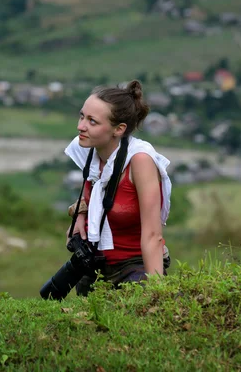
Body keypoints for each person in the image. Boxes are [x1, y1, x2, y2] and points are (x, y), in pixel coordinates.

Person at [64, 80, 172, 296]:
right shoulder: (88, 147)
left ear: (119, 129)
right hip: (97, 263)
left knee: (132, 316)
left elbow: (153, 235)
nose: (81, 126)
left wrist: (156, 295)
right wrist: (80, 213)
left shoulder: (139, 161)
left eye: (92, 121)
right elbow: (95, 195)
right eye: (82, 116)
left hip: (135, 263)